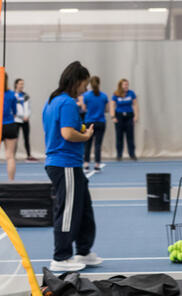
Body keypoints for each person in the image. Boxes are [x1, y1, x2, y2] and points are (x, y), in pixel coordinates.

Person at [42, 61, 103, 272]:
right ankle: (61, 256)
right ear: (76, 81)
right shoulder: (66, 103)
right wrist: (85, 135)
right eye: (84, 84)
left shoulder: (51, 102)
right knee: (68, 210)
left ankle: (83, 251)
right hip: (64, 164)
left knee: (84, 208)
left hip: (68, 164)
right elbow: (67, 133)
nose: (85, 89)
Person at [81, 76, 108, 171]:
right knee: (98, 144)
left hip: (89, 121)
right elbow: (107, 109)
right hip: (100, 122)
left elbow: (83, 109)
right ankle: (97, 164)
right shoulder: (104, 96)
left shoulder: (86, 96)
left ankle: (86, 163)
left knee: (87, 143)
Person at [110, 78, 138, 161]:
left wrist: (136, 116)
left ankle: (132, 154)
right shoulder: (116, 94)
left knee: (130, 136)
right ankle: (119, 155)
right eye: (124, 84)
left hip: (129, 116)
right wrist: (113, 117)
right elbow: (112, 106)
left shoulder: (131, 93)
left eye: (127, 84)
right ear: (120, 85)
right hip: (119, 117)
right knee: (119, 137)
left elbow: (135, 105)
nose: (126, 86)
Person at [13, 78, 37, 162]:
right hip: (16, 121)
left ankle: (28, 155)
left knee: (26, 138)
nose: (21, 86)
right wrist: (20, 116)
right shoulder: (13, 95)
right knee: (14, 138)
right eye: (20, 84)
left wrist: (27, 116)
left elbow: (29, 107)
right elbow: (12, 109)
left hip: (25, 120)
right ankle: (13, 155)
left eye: (22, 84)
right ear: (16, 84)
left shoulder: (26, 95)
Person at [1, 75, 19, 180]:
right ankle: (11, 181)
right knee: (10, 156)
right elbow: (15, 112)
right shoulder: (12, 94)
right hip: (9, 125)